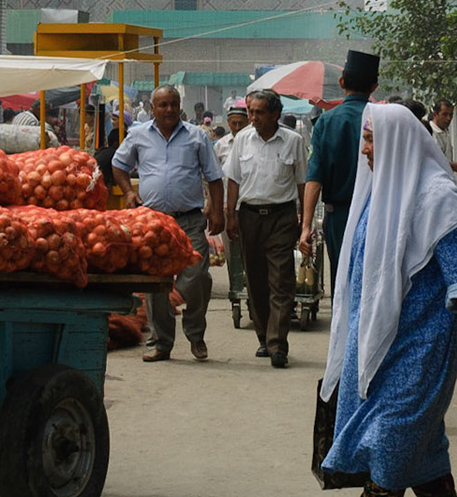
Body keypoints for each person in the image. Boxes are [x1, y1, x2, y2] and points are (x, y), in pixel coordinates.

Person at [319, 103, 457, 497]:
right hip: (379, 335)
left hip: (423, 337)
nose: (365, 149)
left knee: (395, 431)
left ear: (398, 140)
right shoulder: (379, 190)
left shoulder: (437, 195)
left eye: (373, 139)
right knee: (421, 435)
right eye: (366, 138)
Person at [111, 84, 224, 362]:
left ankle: (195, 333)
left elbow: (214, 177)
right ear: (152, 109)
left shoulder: (197, 137)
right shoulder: (138, 135)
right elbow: (118, 164)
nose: (169, 109)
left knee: (196, 275)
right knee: (156, 282)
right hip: (153, 222)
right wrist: (128, 192)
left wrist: (218, 211)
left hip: (189, 220)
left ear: (180, 107)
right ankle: (162, 342)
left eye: (173, 104)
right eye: (163, 105)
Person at [226, 88, 308, 368]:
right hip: (249, 217)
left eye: (259, 112)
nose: (253, 117)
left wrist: (305, 220)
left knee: (281, 282)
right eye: (251, 111)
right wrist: (230, 216)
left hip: (282, 217)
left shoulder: (293, 141)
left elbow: (302, 184)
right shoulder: (242, 140)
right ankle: (263, 336)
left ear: (275, 114)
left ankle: (277, 344)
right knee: (256, 281)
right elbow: (233, 181)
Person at [301, 51, 379, 286]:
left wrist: (306, 226)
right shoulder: (382, 119)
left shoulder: (326, 122)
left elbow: (315, 177)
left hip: (340, 218)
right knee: (372, 282)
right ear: (374, 86)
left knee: (342, 282)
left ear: (341, 82)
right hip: (376, 213)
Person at [429, 99, 457, 174]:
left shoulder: (445, 132)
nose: (448, 118)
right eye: (444, 114)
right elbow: (432, 163)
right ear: (435, 114)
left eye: (451, 115)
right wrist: (454, 166)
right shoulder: (430, 133)